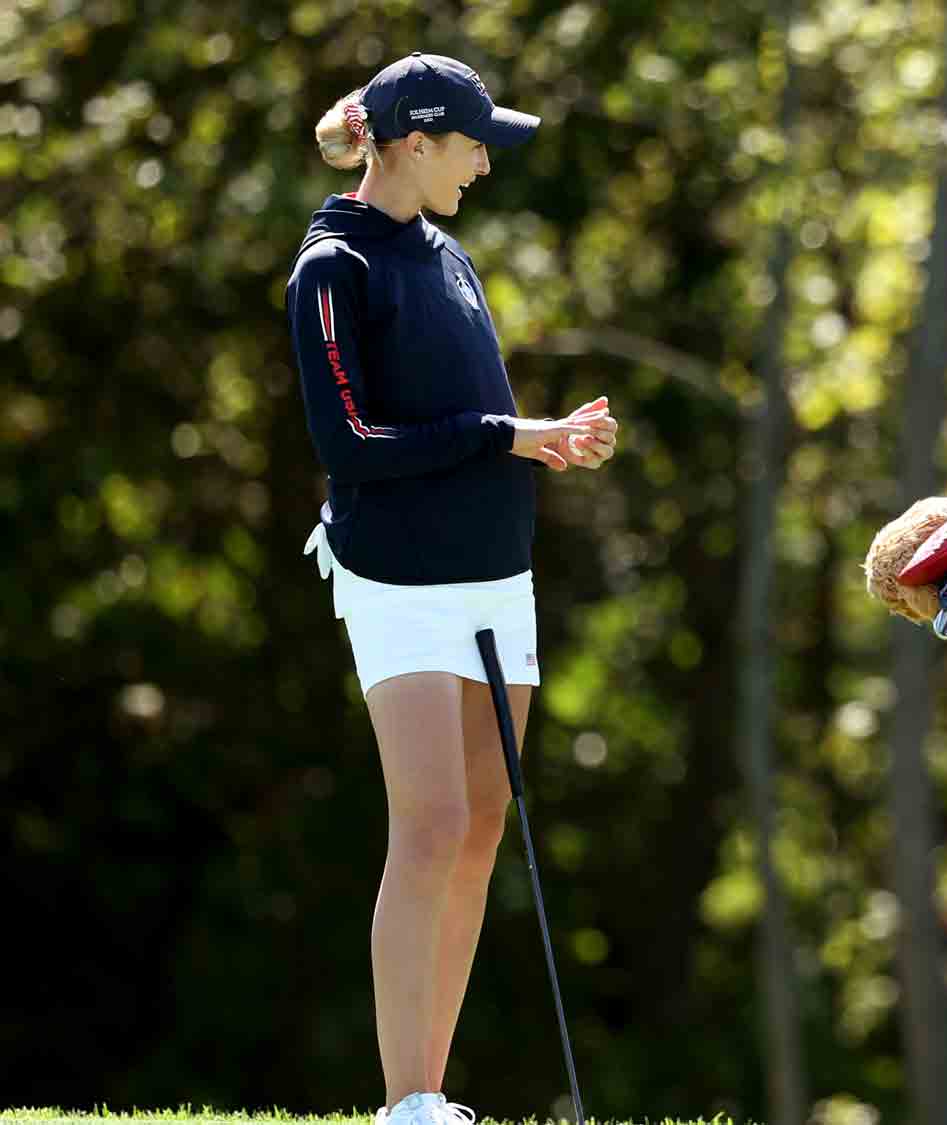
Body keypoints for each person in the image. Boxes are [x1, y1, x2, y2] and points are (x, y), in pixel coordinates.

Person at [286, 52, 618, 1125]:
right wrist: (505, 436)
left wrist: (546, 444)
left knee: (481, 825)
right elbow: (354, 441)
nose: (484, 162)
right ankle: (404, 1100)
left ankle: (434, 1091)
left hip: (496, 575)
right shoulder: (334, 268)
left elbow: (470, 421)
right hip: (398, 580)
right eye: (472, 142)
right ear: (415, 142)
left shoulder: (446, 252)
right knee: (428, 824)